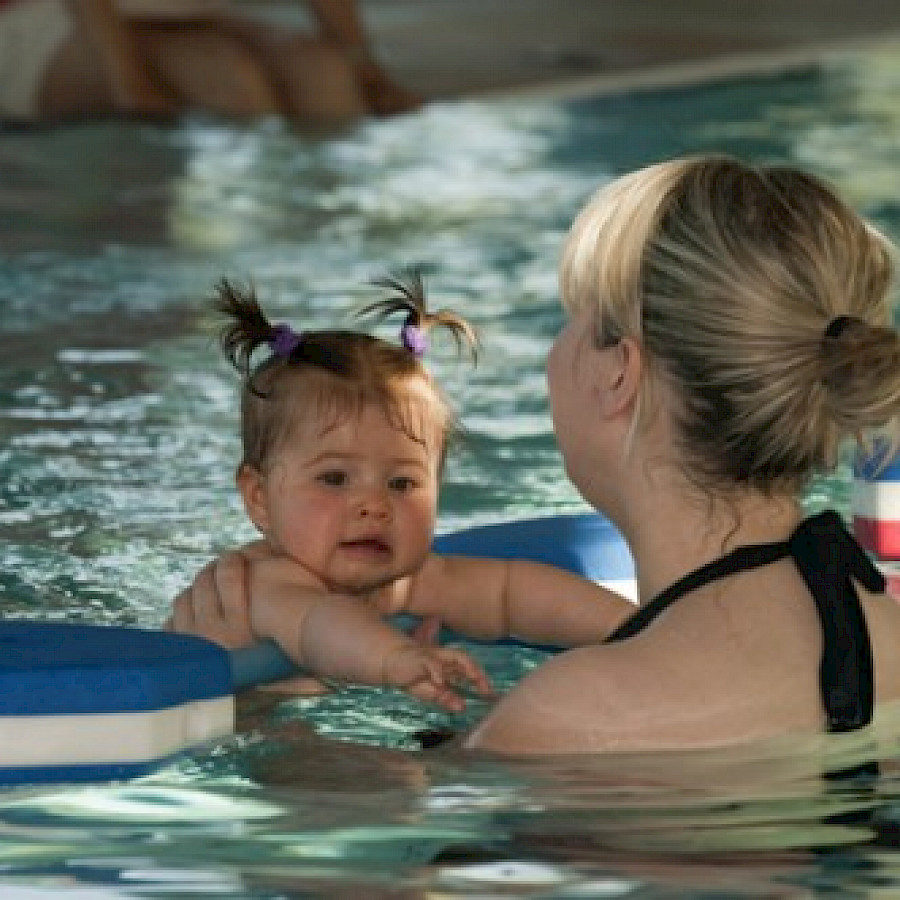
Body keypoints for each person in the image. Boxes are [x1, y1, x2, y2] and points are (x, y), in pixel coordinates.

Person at [172, 155, 900, 755]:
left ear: (619, 372)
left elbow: (384, 862)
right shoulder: (881, 629)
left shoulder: (582, 714)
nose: (554, 355)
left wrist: (250, 709)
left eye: (572, 320)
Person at [167, 274, 635, 712]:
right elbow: (319, 624)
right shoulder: (264, 583)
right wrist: (396, 659)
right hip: (256, 727)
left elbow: (513, 593)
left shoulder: (410, 581)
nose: (374, 506)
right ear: (259, 497)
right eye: (334, 479)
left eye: (402, 483)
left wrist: (638, 630)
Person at [0, 0, 419, 125]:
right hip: (50, 17)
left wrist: (365, 69)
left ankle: (331, 248)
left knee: (324, 73)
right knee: (231, 81)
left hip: (183, 19)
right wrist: (131, 84)